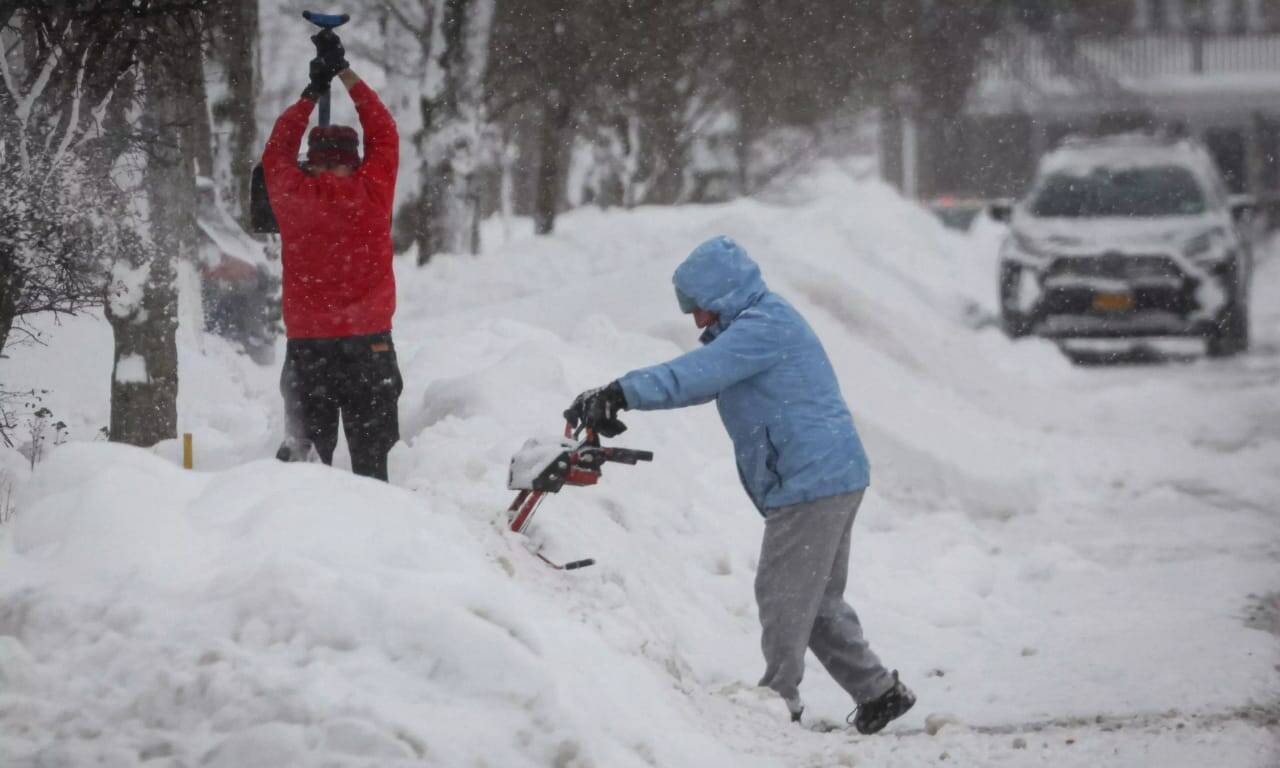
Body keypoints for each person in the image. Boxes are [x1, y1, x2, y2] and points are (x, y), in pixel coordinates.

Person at [564, 236, 914, 733]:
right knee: (814, 602)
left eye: (700, 307)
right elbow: (701, 377)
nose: (696, 320)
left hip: (812, 477)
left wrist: (621, 391)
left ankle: (780, 701)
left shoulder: (763, 328)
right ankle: (878, 692)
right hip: (828, 472)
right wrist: (622, 396)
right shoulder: (757, 324)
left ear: (724, 294)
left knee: (783, 594)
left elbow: (697, 375)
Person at [263, 32, 402, 481]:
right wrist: (344, 73)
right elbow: (384, 131)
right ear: (356, 160)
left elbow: (275, 151)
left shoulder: (293, 195)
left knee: (307, 471)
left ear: (312, 161)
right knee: (374, 463)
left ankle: (309, 540)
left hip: (309, 349)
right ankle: (380, 530)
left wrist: (311, 92)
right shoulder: (373, 189)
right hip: (369, 345)